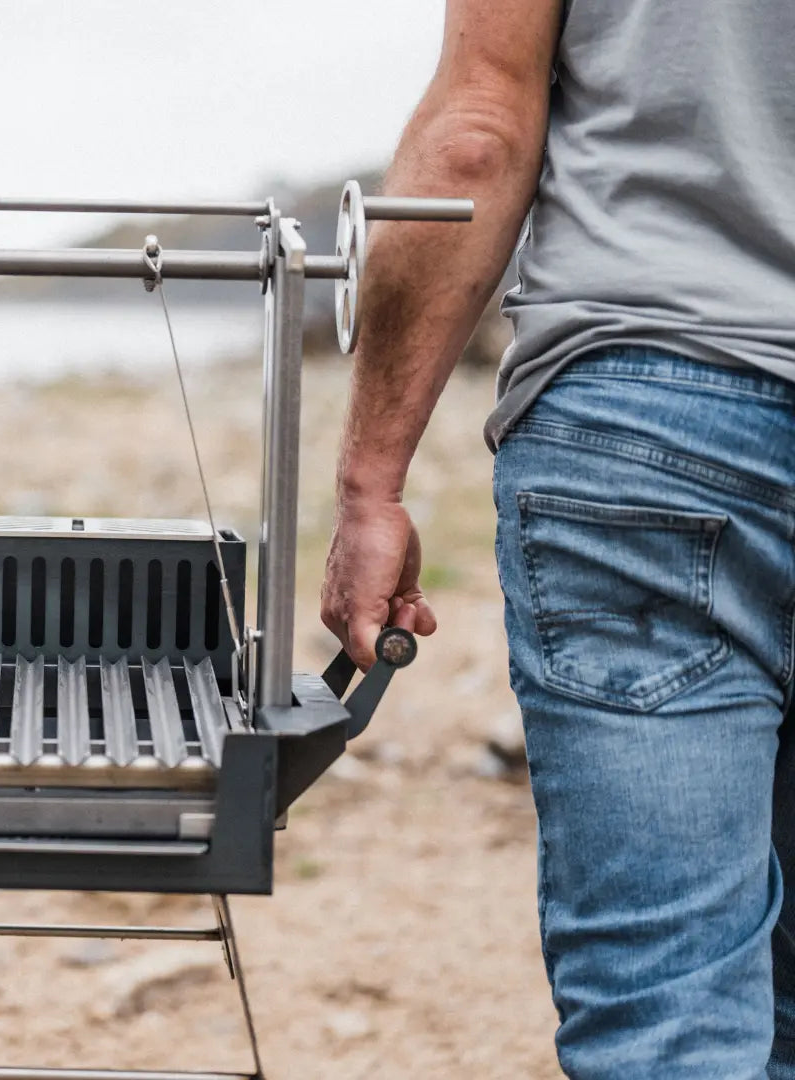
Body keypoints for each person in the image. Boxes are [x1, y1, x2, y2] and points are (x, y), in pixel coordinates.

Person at [320, 0, 795, 1075]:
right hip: (649, 440)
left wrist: (368, 484)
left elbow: (476, 135)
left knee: (668, 1008)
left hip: (641, 420)